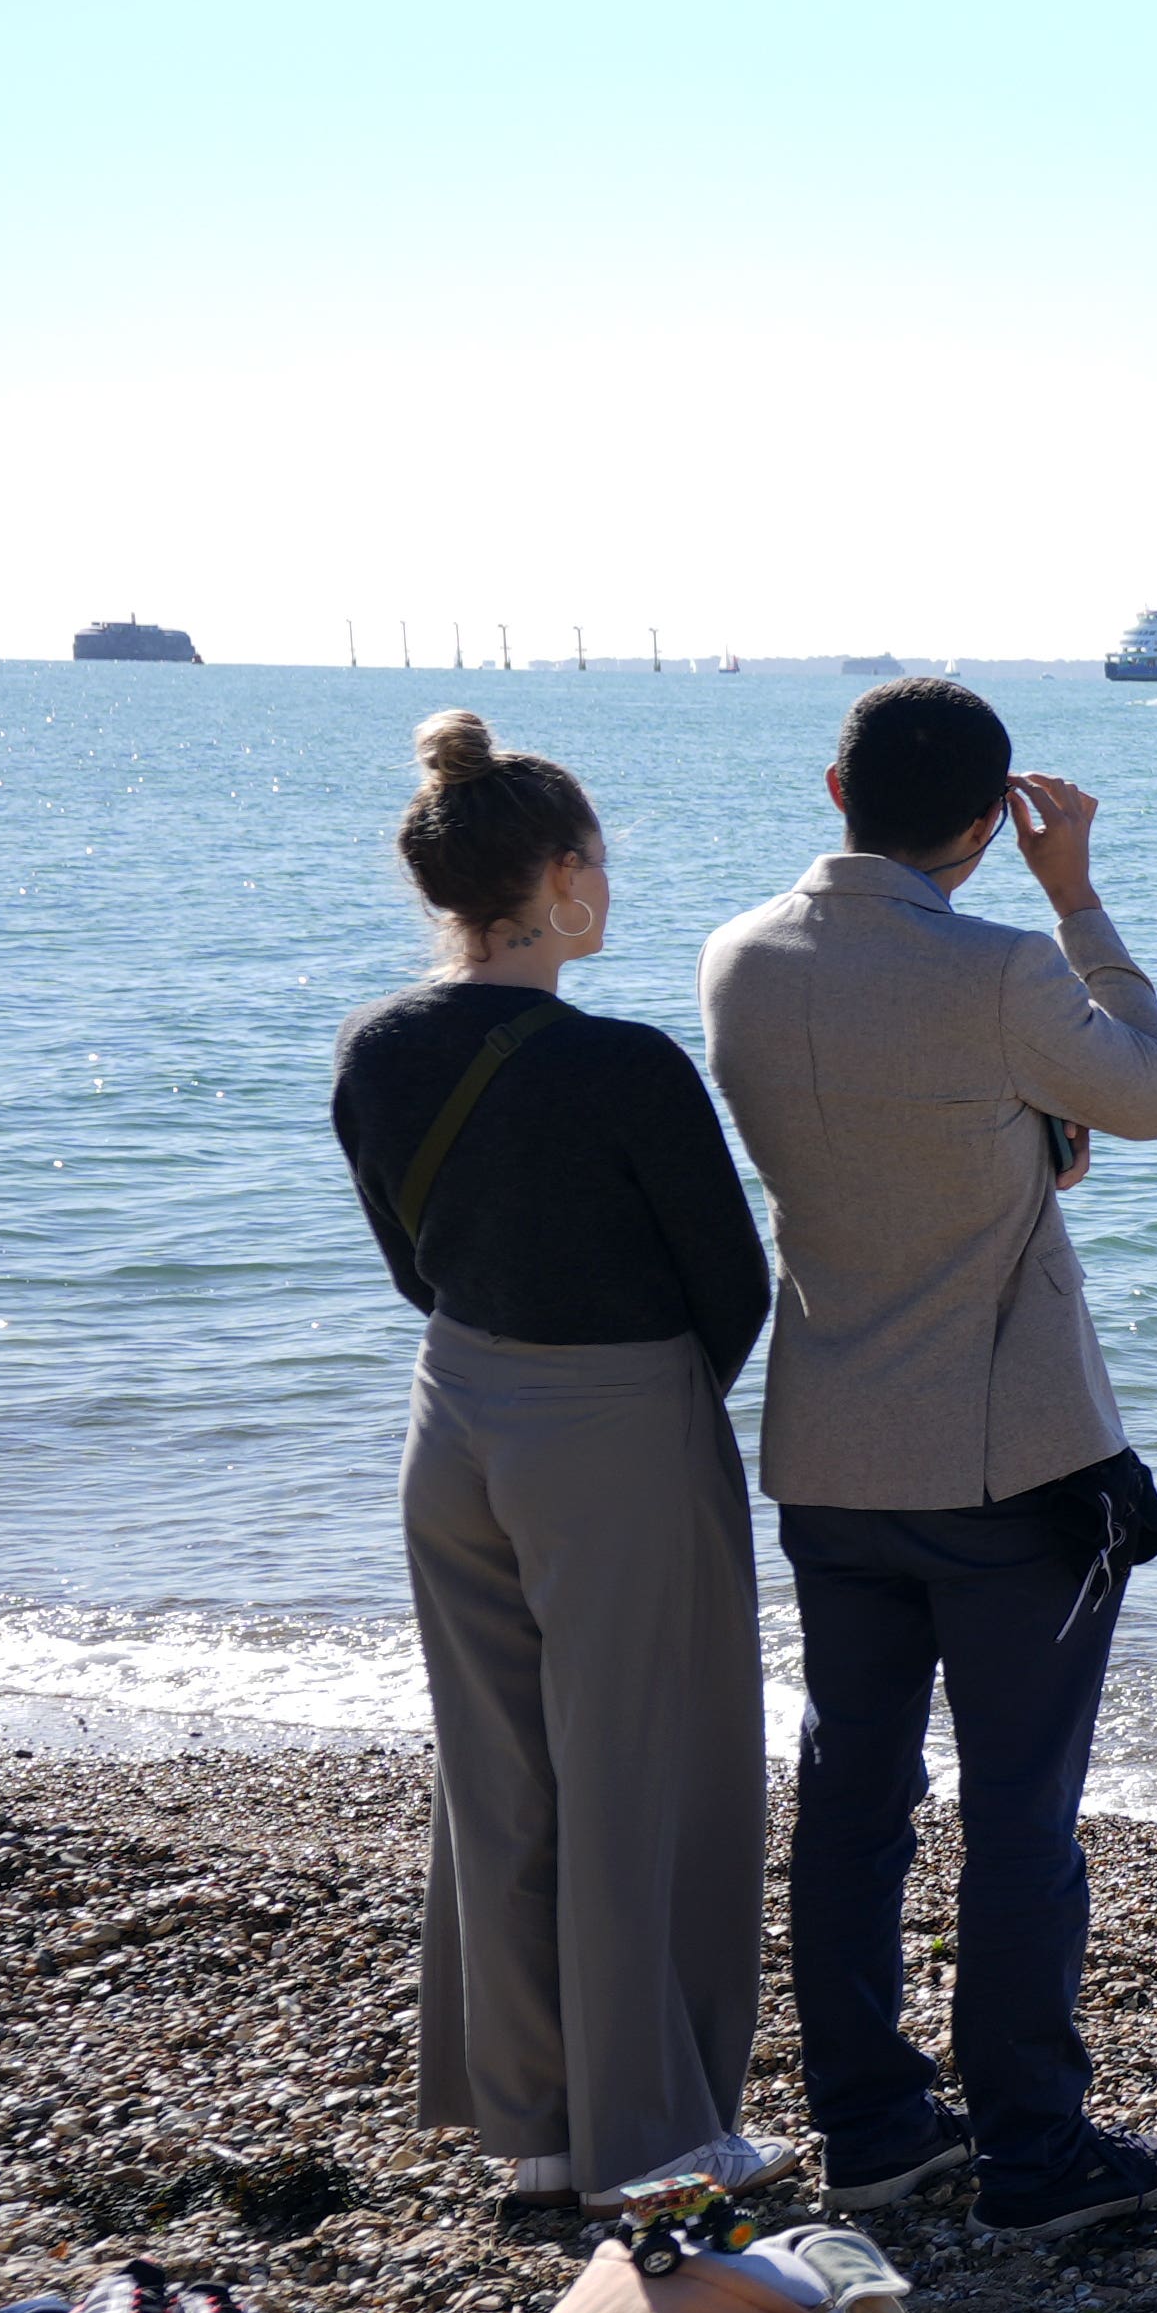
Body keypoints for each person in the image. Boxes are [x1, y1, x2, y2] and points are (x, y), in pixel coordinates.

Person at [702, 677, 1157, 2237]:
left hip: (829, 1450)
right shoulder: (1002, 966)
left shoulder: (734, 959)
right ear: (991, 825)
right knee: (1018, 1810)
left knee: (853, 1798)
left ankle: (869, 2127)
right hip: (1012, 1468)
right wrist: (1079, 899)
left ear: (834, 781)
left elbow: (884, 1135)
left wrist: (1017, 1140)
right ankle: (1032, 2153)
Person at [331, 710, 780, 2205]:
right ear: (569, 875)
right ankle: (652, 2140)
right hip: (614, 1421)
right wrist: (655, 1405)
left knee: (500, 1770)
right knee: (648, 1770)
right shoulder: (630, 1064)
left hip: (450, 1409)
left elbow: (413, 1262)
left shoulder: (376, 1047)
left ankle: (533, 2127)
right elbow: (734, 1283)